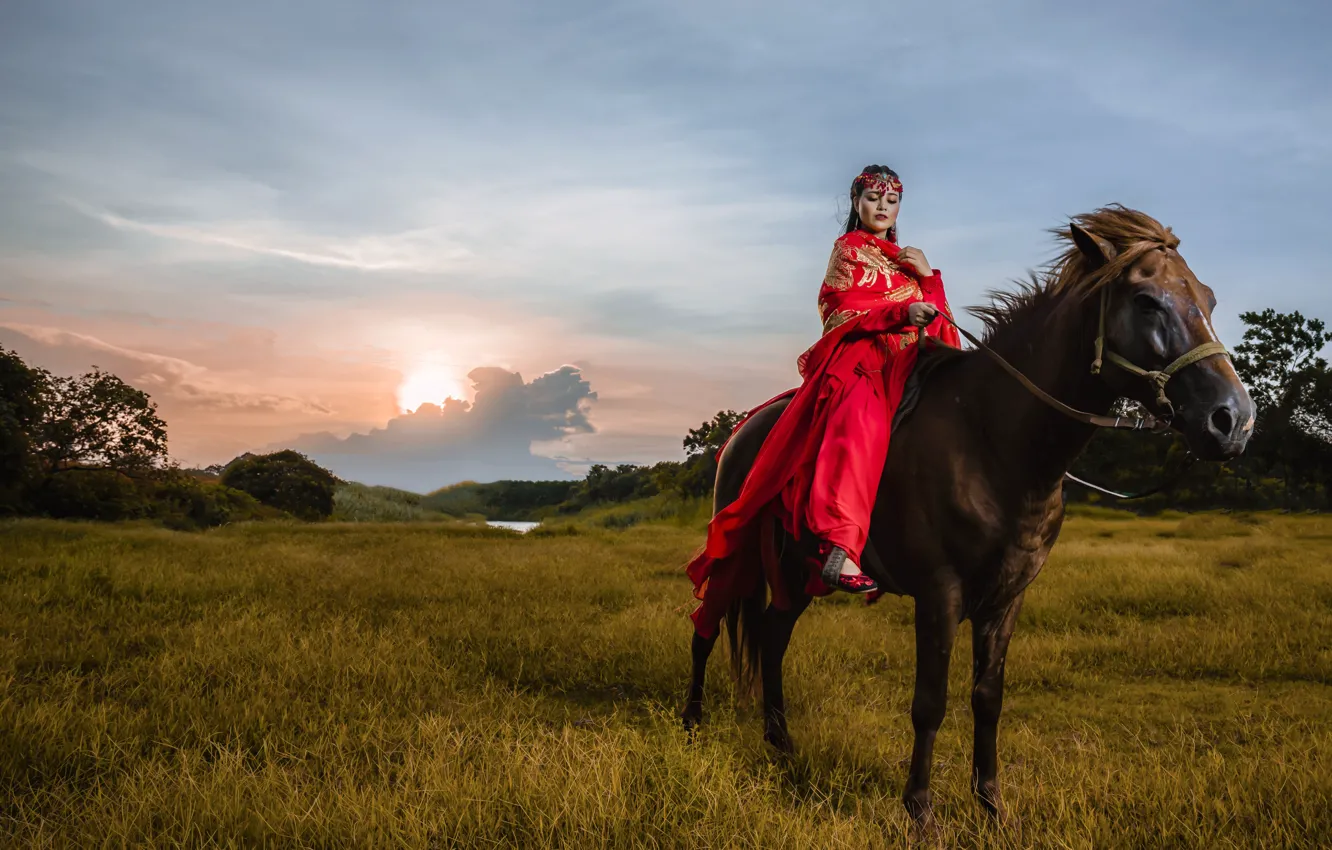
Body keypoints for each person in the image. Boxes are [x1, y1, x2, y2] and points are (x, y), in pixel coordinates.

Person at [685, 164, 961, 638]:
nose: (882, 207)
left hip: (912, 362)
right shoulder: (849, 250)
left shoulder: (908, 259)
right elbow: (838, 310)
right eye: (873, 198)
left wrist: (929, 281)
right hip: (863, 360)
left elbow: (946, 329)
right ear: (856, 203)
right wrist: (901, 310)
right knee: (862, 422)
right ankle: (842, 546)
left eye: (891, 201)